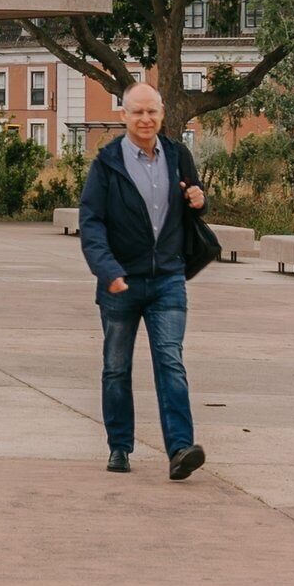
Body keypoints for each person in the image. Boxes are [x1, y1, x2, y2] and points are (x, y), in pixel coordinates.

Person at [74, 80, 208, 480]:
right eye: (138, 112)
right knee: (116, 367)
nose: (145, 119)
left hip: (168, 278)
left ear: (162, 114)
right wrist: (108, 270)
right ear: (124, 116)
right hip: (121, 283)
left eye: (152, 111)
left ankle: (180, 449)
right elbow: (91, 222)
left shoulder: (178, 155)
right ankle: (119, 445)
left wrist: (201, 200)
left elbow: (193, 202)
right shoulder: (107, 163)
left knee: (171, 362)